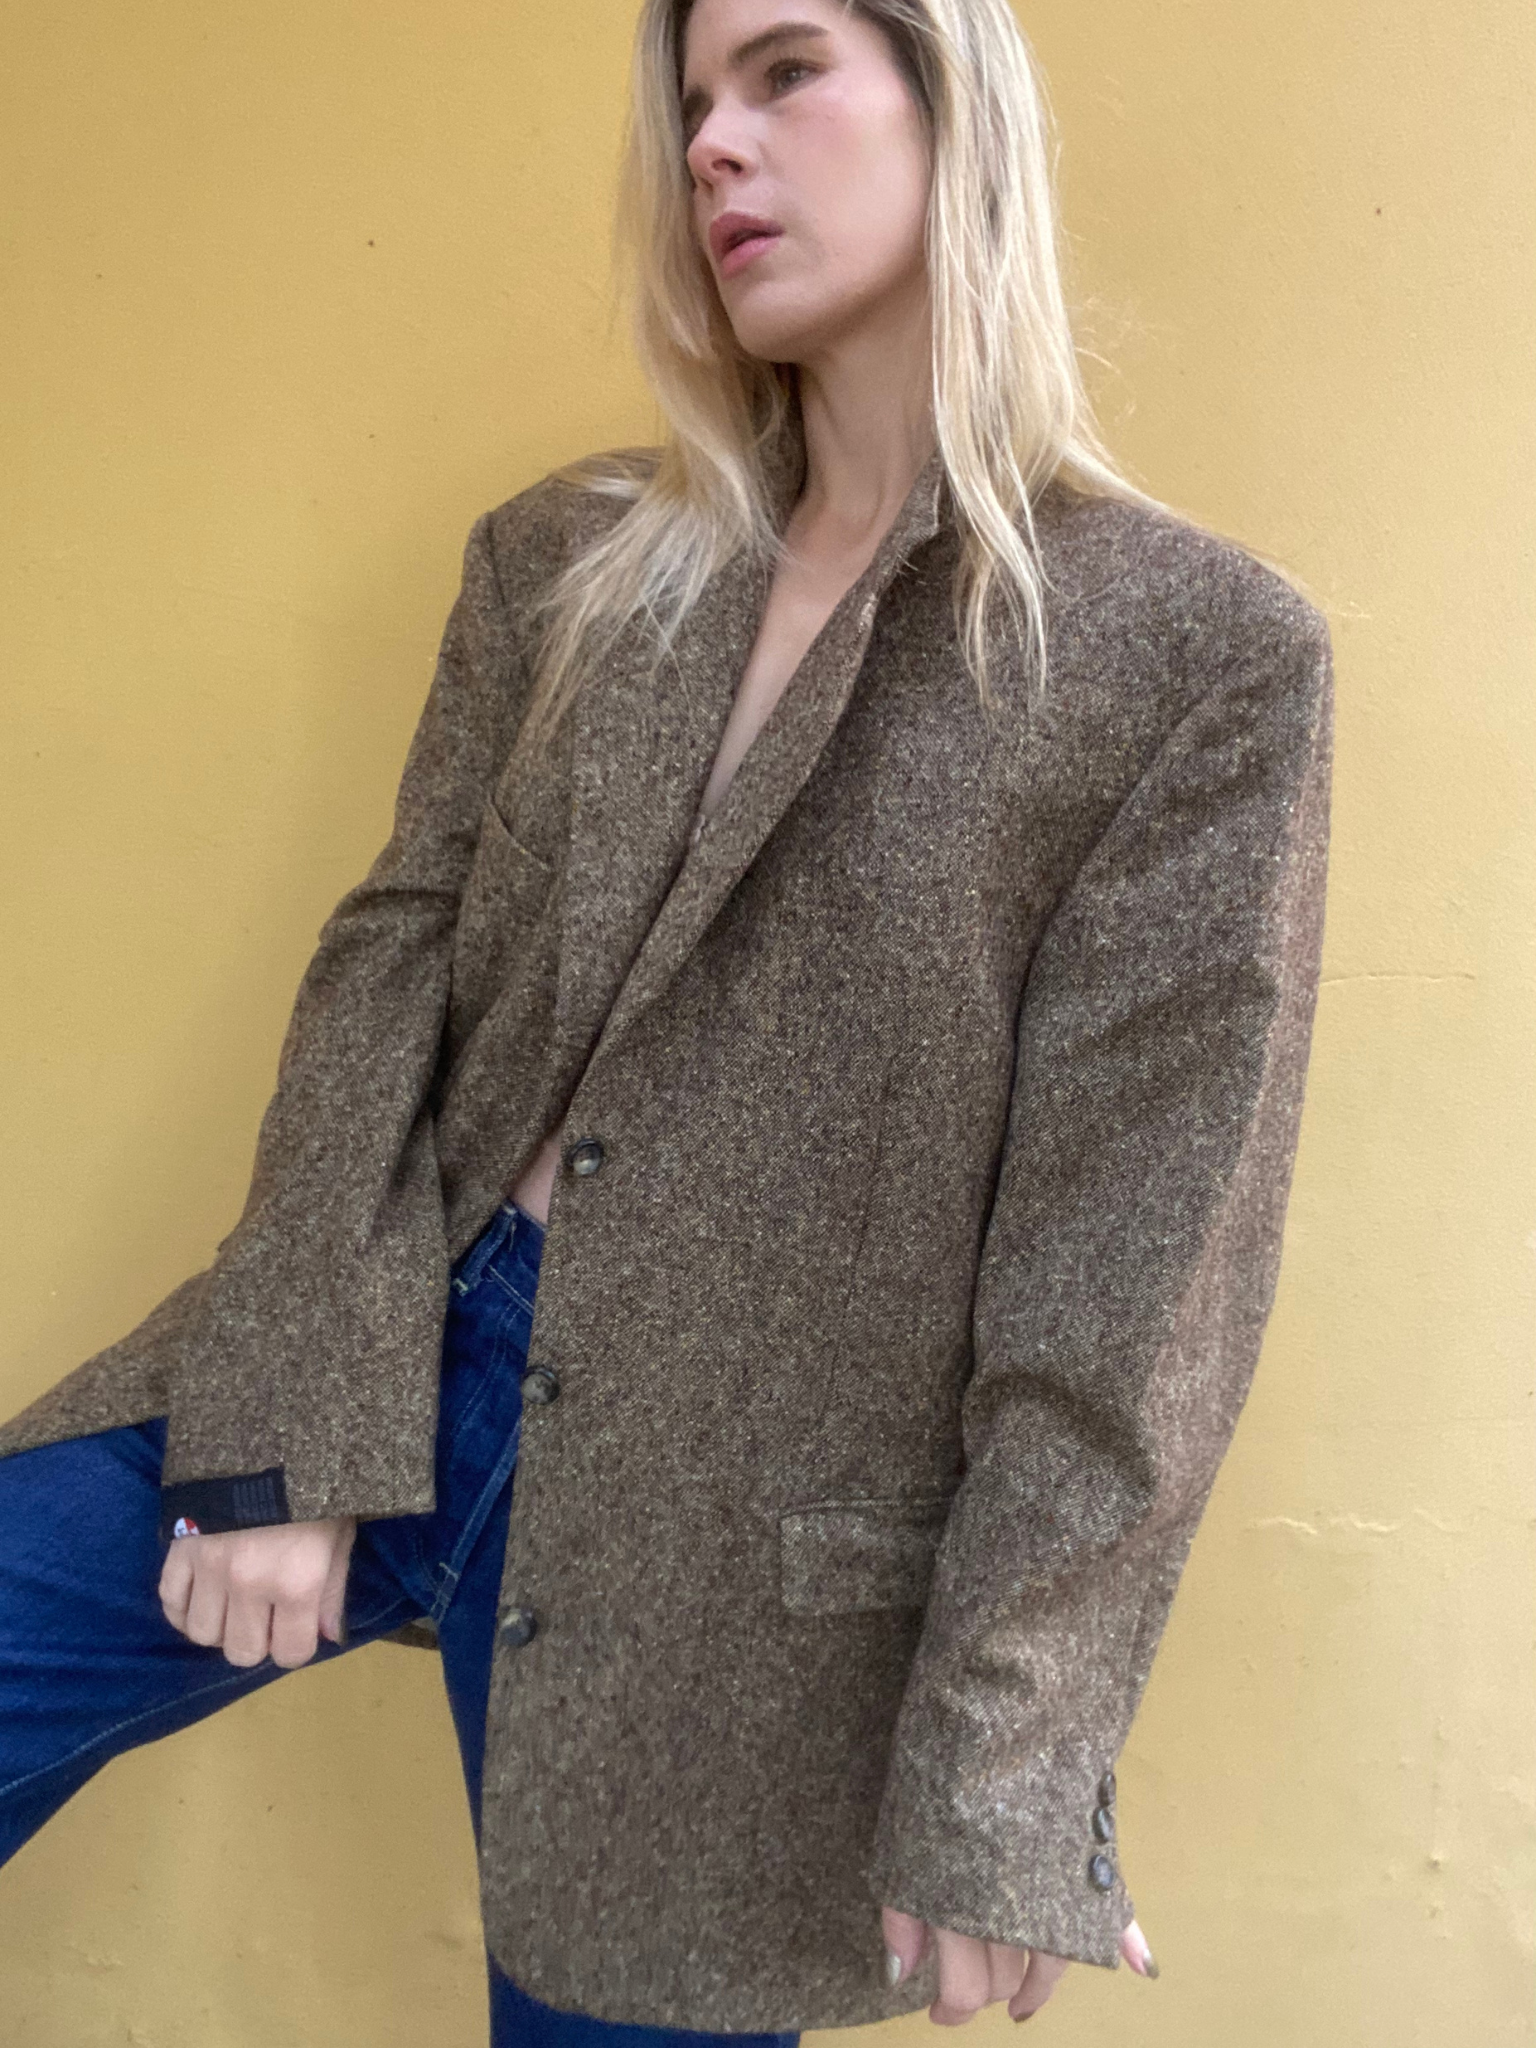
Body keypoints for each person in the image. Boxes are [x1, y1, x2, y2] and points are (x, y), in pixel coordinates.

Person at [0, 0, 1334, 2040]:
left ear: (955, 104)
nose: (712, 144)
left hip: (743, 1540)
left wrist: (1008, 1760)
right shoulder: (570, 562)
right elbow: (390, 971)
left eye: (784, 73)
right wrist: (297, 1414)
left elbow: (1134, 1277)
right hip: (405, 1324)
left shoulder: (1193, 656)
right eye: (694, 102)